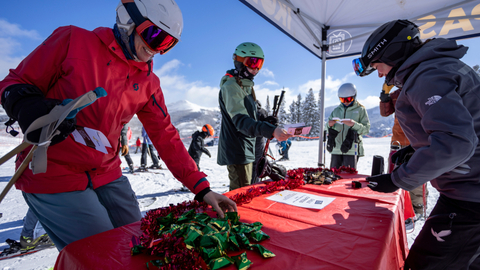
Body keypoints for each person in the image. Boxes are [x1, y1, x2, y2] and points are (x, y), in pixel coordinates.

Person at [0, 0, 236, 251]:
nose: (157, 48)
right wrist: (28, 107)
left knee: (139, 244)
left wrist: (202, 189)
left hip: (106, 173)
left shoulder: (148, 83)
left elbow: (166, 137)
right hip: (55, 172)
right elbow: (14, 83)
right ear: (128, 21)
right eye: (154, 35)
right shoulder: (73, 41)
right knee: (103, 252)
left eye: (167, 44)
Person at [355, 19, 480, 269]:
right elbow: (466, 125)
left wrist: (397, 179)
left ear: (392, 53)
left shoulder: (427, 76)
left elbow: (455, 142)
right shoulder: (437, 67)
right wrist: (418, 147)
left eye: (378, 65)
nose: (379, 73)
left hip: (470, 198)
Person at [217, 42, 292, 191]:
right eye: (252, 62)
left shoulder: (245, 85)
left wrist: (265, 119)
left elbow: (254, 110)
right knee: (241, 194)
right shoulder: (231, 86)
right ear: (239, 60)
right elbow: (242, 121)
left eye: (259, 64)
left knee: (249, 190)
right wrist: (270, 130)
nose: (255, 68)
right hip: (238, 151)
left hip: (247, 149)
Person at [379, 82, 427, 222]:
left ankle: (417, 208)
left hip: (417, 142)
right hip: (398, 141)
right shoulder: (396, 95)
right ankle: (400, 205)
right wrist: (384, 95)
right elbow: (385, 112)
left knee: (416, 177)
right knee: (397, 175)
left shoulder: (421, 89)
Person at [326, 83, 370, 169]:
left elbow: (366, 129)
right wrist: (328, 124)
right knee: (333, 176)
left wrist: (354, 124)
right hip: (336, 149)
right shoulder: (336, 111)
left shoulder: (361, 110)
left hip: (352, 150)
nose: (346, 102)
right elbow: (325, 128)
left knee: (348, 176)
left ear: (354, 96)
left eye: (349, 99)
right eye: (342, 100)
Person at [252, 100, 268, 184]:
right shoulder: (263, 111)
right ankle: (255, 183)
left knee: (254, 165)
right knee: (257, 166)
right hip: (259, 141)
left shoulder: (248, 111)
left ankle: (253, 183)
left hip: (252, 142)